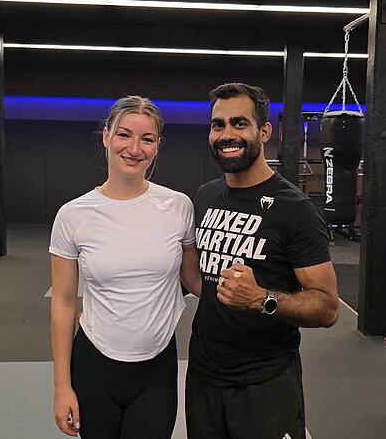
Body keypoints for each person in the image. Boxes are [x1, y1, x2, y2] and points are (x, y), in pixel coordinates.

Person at [185, 83, 339, 439]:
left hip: (265, 381)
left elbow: (329, 308)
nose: (226, 134)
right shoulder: (206, 196)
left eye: (239, 123)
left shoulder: (295, 209)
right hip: (204, 378)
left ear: (264, 131)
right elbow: (200, 282)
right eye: (217, 124)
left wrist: (262, 299)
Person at [49, 96, 201, 438]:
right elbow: (63, 302)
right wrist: (62, 386)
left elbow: (192, 279)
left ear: (157, 146)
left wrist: (259, 298)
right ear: (106, 137)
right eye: (124, 135)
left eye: (147, 139)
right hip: (94, 368)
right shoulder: (73, 215)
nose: (134, 148)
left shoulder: (178, 207)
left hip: (157, 370)